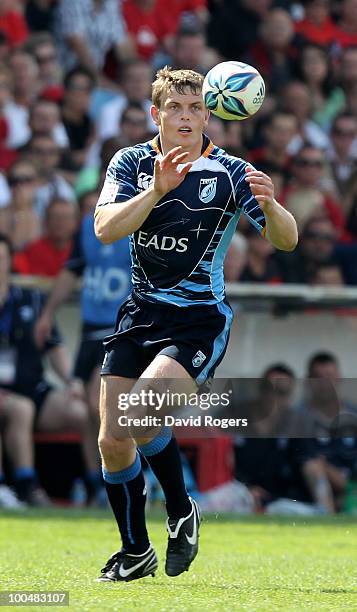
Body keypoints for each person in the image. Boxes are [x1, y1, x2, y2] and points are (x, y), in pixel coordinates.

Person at [94, 66, 297, 582]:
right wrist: (157, 191)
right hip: (139, 314)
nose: (186, 118)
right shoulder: (133, 162)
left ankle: (182, 509)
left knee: (140, 417)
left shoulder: (231, 172)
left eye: (195, 109)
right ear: (155, 113)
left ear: (209, 113)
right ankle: (135, 551)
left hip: (196, 321)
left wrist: (272, 206)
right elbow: (104, 229)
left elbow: (287, 240)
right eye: (175, 108)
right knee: (112, 440)